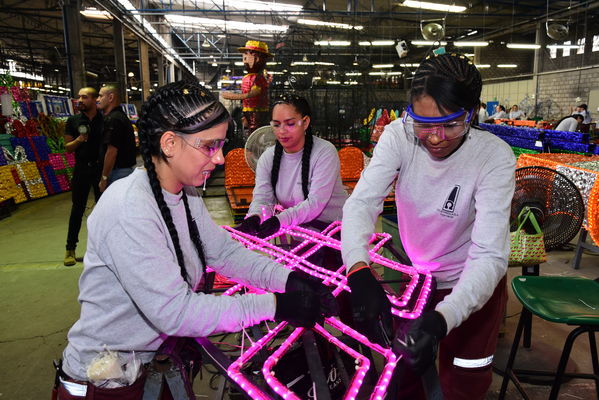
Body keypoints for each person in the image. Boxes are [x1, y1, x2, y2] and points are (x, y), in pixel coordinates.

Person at [56, 81, 336, 399]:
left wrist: (288, 279)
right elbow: (176, 312)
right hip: (103, 380)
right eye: (209, 146)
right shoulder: (129, 209)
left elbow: (222, 251)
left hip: (145, 368)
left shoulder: (184, 192)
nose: (219, 160)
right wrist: (273, 304)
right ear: (170, 143)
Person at [341, 53, 515, 399]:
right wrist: (357, 268)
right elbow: (362, 203)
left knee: (463, 381)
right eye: (423, 124)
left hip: (471, 285)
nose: (435, 138)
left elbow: (489, 255)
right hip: (418, 281)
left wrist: (444, 318)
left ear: (473, 113)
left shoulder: (493, 157)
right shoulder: (399, 137)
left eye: (450, 125)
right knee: (404, 371)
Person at [236, 94, 348, 239]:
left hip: (335, 235)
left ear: (305, 122)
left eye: (290, 124)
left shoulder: (324, 152)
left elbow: (315, 203)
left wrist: (280, 220)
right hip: (301, 235)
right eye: (276, 124)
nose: (282, 131)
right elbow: (263, 198)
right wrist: (255, 216)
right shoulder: (267, 158)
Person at [63, 87, 104, 266]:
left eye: (84, 97)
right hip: (81, 169)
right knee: (77, 209)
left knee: (104, 211)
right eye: (79, 97)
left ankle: (103, 250)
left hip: (100, 170)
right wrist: (79, 139)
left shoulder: (104, 119)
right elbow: (67, 147)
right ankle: (70, 249)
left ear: (95, 100)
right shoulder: (73, 121)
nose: (80, 100)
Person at [221, 40, 271, 134]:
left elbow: (255, 92)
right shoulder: (247, 77)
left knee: (255, 131)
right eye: (244, 56)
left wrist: (235, 96)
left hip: (257, 111)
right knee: (250, 130)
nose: (245, 59)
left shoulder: (258, 78)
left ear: (257, 59)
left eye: (248, 56)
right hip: (248, 110)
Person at [96, 84, 137, 192]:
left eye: (100, 96)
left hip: (117, 172)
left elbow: (111, 151)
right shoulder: (119, 116)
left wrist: (104, 178)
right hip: (121, 171)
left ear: (110, 98)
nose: (98, 99)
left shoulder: (113, 119)